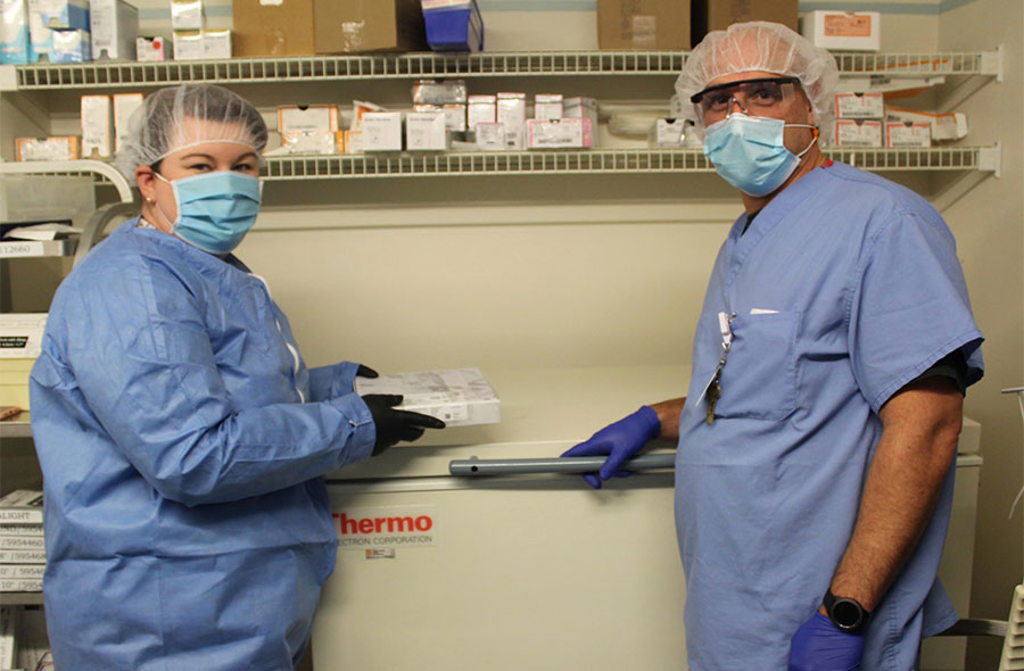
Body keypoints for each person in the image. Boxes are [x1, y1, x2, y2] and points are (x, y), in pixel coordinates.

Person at [562, 22, 984, 670]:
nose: (738, 117)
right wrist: (655, 418)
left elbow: (927, 423)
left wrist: (846, 611)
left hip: (816, 609)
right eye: (717, 101)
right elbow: (767, 385)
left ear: (813, 104)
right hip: (735, 604)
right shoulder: (746, 238)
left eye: (763, 93)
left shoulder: (882, 222)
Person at [28, 84, 445, 670]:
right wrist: (352, 424)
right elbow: (194, 454)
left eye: (243, 166)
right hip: (167, 616)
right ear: (149, 181)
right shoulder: (134, 285)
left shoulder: (197, 267)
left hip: (222, 602)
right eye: (201, 165)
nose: (227, 180)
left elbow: (222, 390)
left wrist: (335, 387)